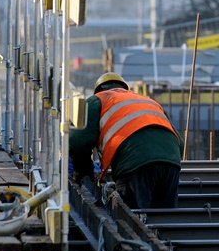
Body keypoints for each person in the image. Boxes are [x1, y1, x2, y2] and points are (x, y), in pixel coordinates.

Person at [69, 72, 183, 209]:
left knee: (134, 216)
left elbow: (76, 140)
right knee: (166, 217)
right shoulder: (148, 101)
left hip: (135, 162)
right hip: (171, 162)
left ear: (98, 90)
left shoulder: (98, 99)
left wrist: (84, 172)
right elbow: (180, 143)